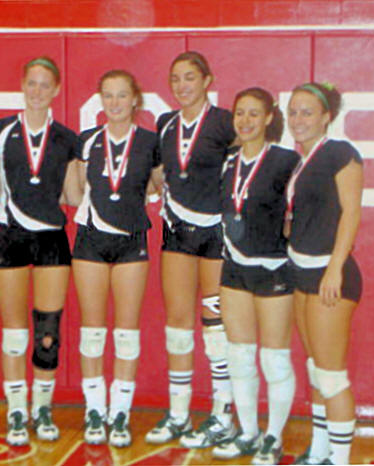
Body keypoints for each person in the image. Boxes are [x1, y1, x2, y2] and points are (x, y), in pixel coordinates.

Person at [0, 56, 79, 446]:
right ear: (22, 85)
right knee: (13, 332)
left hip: (52, 238)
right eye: (32, 83)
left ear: (56, 90)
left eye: (45, 85)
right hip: (8, 234)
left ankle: (42, 408)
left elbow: (73, 195)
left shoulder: (68, 139)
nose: (37, 91)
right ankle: (16, 410)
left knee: (47, 332)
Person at [145, 51, 237, 448]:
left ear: (207, 80)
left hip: (216, 233)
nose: (182, 85)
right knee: (178, 324)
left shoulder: (226, 122)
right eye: (175, 78)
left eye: (190, 77)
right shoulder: (165, 123)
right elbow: (159, 174)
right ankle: (179, 413)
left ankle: (223, 414)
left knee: (215, 325)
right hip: (178, 233)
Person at [210, 88, 300, 464]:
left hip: (274, 267)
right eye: (239, 114)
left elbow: (300, 213)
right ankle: (248, 433)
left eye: (253, 114)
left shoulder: (286, 160)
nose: (245, 121)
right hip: (234, 268)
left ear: (268, 118)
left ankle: (272, 438)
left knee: (274, 359)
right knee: (239, 356)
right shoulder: (228, 162)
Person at [73, 69, 161, 447]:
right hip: (90, 240)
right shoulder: (87, 140)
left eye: (122, 95)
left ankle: (120, 411)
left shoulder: (151, 142)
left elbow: (158, 186)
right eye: (107, 95)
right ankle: (95, 409)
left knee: (126, 333)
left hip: (131, 241)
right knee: (92, 332)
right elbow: (76, 191)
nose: (115, 102)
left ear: (135, 99)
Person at [286, 82, 363, 465]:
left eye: (307, 112)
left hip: (329, 276)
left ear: (326, 117)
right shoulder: (300, 162)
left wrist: (334, 269)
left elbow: (351, 212)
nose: (298, 119)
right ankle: (319, 452)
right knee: (315, 369)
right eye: (293, 112)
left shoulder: (340, 153)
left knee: (331, 376)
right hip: (301, 273)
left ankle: (340, 459)